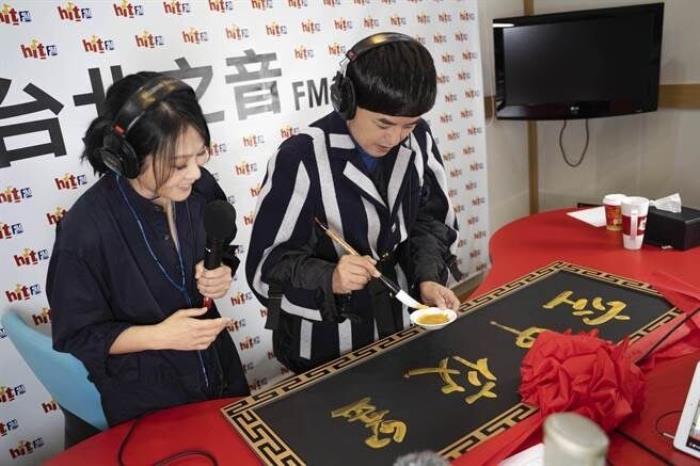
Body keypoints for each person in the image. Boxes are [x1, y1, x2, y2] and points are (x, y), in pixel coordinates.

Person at [246, 32, 462, 374]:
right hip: (324, 347)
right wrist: (329, 278)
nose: (394, 138)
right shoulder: (301, 157)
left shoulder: (419, 139)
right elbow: (265, 268)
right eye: (383, 123)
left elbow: (431, 222)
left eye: (408, 125)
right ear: (346, 99)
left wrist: (428, 277)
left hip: (399, 327)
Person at [47, 72, 249, 431]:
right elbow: (76, 335)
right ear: (127, 158)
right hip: (147, 400)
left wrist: (221, 270)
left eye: (199, 155)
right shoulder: (84, 230)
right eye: (178, 164)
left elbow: (222, 243)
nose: (195, 173)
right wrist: (160, 336)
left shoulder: (200, 188)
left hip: (220, 369)